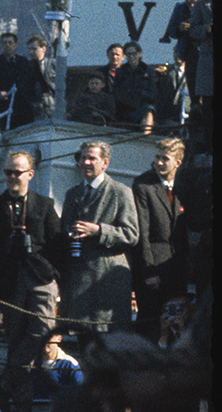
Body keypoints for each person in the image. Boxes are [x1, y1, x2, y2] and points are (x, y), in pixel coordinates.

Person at [0, 150, 63, 412]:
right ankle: (20, 399)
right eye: (8, 172)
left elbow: (58, 244)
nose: (12, 177)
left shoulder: (44, 205)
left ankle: (5, 380)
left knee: (43, 329)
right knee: (15, 337)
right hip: (9, 280)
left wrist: (53, 274)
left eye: (18, 172)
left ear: (30, 174)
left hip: (40, 276)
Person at [60, 140, 140, 337]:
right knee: (84, 345)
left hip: (108, 283)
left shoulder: (120, 192)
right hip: (79, 282)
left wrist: (98, 230)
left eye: (91, 158)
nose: (85, 162)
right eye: (82, 158)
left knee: (108, 346)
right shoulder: (73, 194)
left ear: (105, 163)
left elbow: (132, 234)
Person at [132, 138, 188, 340]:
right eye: (157, 157)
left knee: (174, 325)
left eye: (165, 158)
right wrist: (149, 271)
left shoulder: (183, 185)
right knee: (150, 325)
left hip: (175, 272)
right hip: (152, 271)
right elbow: (142, 233)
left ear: (178, 163)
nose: (159, 162)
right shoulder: (144, 185)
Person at [161, 0, 206, 103]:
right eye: (188, 3)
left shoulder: (208, 7)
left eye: (194, 2)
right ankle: (195, 108)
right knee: (192, 82)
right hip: (189, 51)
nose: (191, 5)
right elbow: (171, 31)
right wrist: (179, 29)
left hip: (206, 51)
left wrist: (194, 28)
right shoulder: (180, 8)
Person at [0, 32, 35, 130]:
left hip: (25, 109)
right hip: (6, 108)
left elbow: (31, 83)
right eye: (4, 43)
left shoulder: (23, 62)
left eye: (10, 43)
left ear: (15, 45)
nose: (7, 46)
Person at [114, 43, 158, 133]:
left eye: (134, 53)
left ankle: (145, 135)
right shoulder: (120, 71)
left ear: (139, 54)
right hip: (125, 107)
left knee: (149, 110)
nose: (131, 57)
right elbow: (116, 93)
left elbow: (153, 93)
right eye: (128, 54)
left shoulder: (148, 70)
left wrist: (140, 93)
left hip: (142, 105)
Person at [26, 35, 57, 121]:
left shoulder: (54, 64)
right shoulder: (27, 67)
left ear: (43, 49)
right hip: (36, 108)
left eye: (34, 49)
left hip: (53, 105)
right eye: (29, 49)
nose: (31, 52)